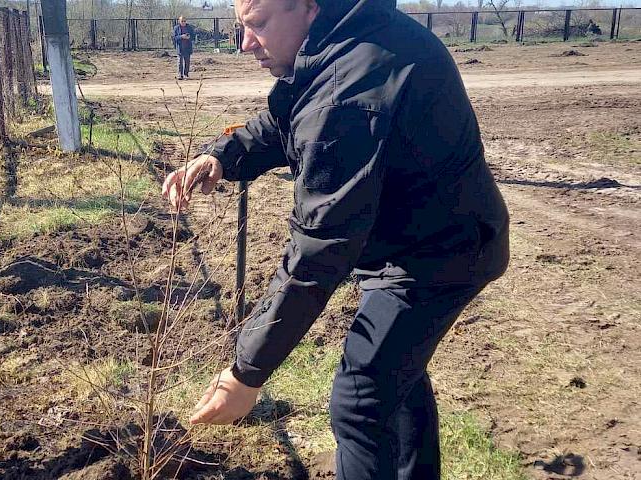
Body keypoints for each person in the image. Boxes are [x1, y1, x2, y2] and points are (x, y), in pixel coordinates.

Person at [161, 0, 510, 477]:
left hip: (437, 254)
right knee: (394, 379)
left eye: (257, 25)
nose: (245, 44)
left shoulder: (352, 89)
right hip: (420, 238)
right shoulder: (341, 42)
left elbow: (319, 249)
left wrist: (245, 373)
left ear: (308, 7)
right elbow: (287, 120)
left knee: (361, 397)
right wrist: (224, 155)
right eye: (241, 27)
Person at [172, 16, 195, 80]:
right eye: (182, 21)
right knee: (180, 62)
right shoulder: (176, 28)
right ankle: (180, 74)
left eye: (184, 21)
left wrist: (189, 37)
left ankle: (186, 74)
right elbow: (174, 37)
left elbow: (193, 36)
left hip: (187, 47)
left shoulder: (189, 28)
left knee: (187, 61)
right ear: (179, 21)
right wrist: (181, 37)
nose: (183, 22)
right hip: (180, 47)